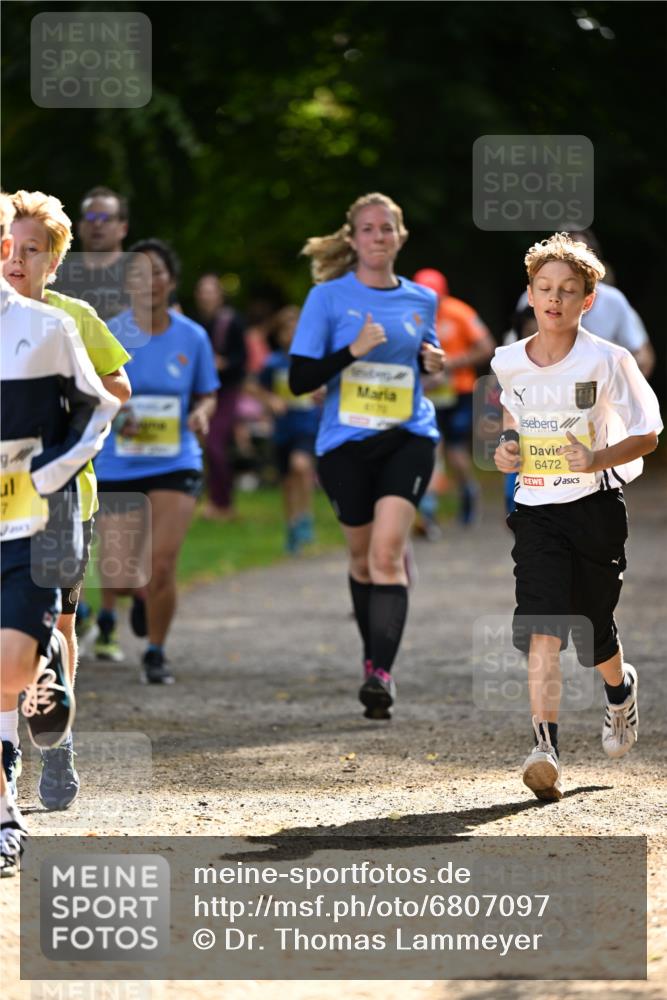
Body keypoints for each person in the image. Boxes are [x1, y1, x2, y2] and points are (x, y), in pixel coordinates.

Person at [492, 233, 662, 802]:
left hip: (594, 509)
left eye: (568, 290)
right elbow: (513, 427)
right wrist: (506, 451)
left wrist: (597, 458)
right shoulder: (508, 362)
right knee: (542, 627)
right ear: (531, 294)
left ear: (588, 299)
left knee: (592, 626)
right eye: (545, 288)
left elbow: (648, 434)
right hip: (535, 510)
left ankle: (620, 688)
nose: (555, 299)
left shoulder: (609, 359)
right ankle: (545, 749)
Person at [289, 192, 446, 719]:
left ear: (400, 237)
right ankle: (371, 659)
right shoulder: (328, 299)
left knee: (386, 555)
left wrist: (433, 361)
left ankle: (381, 673)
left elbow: (420, 359)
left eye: (387, 229)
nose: (378, 237)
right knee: (360, 559)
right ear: (353, 239)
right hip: (344, 445)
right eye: (369, 229)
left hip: (409, 436)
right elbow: (298, 380)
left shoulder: (422, 299)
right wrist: (351, 351)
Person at [0, 191, 119, 874]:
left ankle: (54, 728)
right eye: (10, 245)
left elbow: (111, 397)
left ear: (52, 258)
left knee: (43, 637)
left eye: (32, 249)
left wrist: (51, 464)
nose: (17, 259)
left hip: (52, 505)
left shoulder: (63, 321)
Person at [93, 239, 219, 682]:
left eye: (158, 273)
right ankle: (139, 597)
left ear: (172, 280)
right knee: (124, 574)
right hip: (119, 463)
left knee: (163, 564)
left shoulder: (193, 336)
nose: (150, 282)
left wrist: (202, 414)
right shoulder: (108, 332)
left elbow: (207, 393)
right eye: (139, 275)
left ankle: (156, 651)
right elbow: (89, 392)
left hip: (175, 459)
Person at [413, 268, 495, 528]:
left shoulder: (460, 312)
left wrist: (449, 364)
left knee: (455, 449)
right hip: (424, 391)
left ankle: (468, 492)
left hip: (458, 390)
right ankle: (428, 509)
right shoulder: (411, 316)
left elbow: (487, 347)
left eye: (434, 297)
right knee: (428, 447)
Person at [514, 229, 655, 377]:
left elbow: (643, 358)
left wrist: (620, 391)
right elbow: (518, 351)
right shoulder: (531, 300)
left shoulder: (614, 301)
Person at [253, 305, 321, 553]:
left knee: (300, 466)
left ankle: (306, 518)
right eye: (286, 331)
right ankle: (292, 525)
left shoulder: (312, 359)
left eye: (296, 330)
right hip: (283, 428)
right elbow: (255, 387)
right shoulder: (274, 362)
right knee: (288, 481)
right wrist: (271, 400)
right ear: (279, 334)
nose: (291, 335)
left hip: (307, 424)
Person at [192, 272, 247, 521]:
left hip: (225, 392)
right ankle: (212, 500)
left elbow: (242, 360)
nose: (206, 296)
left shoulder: (231, 321)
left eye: (210, 290)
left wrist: (223, 364)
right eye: (202, 291)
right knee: (205, 447)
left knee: (215, 445)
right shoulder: (195, 323)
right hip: (201, 393)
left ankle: (222, 502)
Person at [54, 185, 130, 322]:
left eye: (106, 218)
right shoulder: (57, 276)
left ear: (123, 228)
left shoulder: (140, 273)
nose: (97, 224)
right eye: (90, 217)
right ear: (79, 226)